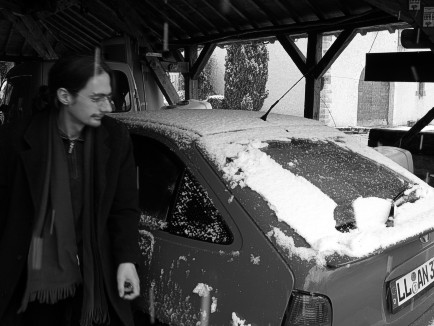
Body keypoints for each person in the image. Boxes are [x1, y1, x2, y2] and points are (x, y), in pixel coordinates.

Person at [0, 54, 141, 325]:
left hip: (93, 269)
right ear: (65, 96)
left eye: (108, 97)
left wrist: (126, 260)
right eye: (96, 98)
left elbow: (124, 208)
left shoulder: (116, 138)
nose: (108, 107)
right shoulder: (16, 142)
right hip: (34, 275)